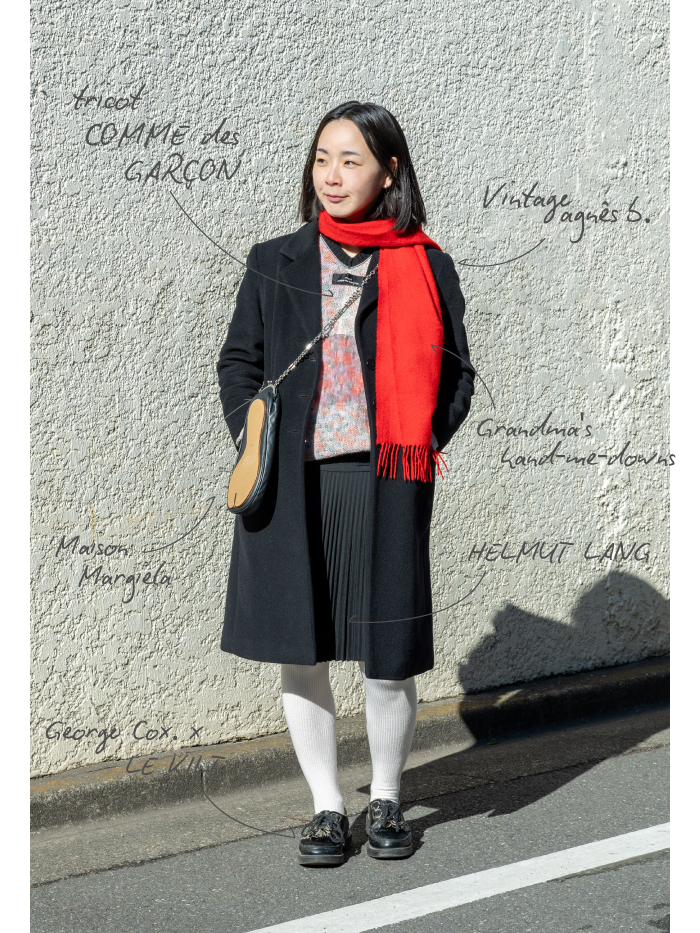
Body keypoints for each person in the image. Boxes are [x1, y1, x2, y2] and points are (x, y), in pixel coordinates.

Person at [217, 101, 474, 866]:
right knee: (301, 651)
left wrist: (419, 438)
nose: (332, 175)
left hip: (384, 481)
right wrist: (254, 439)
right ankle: (328, 806)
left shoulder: (426, 263)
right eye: (322, 158)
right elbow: (238, 362)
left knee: (386, 655)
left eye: (351, 160)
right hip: (290, 489)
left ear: (389, 172)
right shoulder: (275, 260)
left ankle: (387, 796)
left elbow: (457, 374)